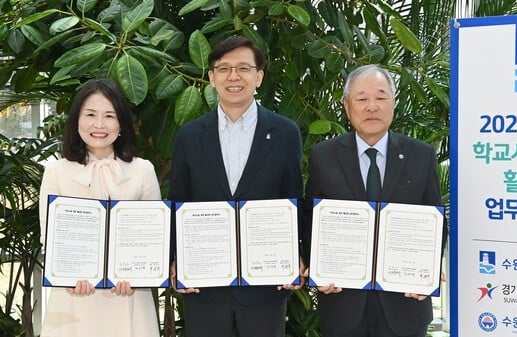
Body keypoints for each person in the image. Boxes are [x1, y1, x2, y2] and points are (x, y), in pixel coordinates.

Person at [168, 35, 304, 337]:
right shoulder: (190, 136)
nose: (234, 77)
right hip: (203, 281)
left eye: (243, 68)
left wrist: (297, 256)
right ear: (211, 77)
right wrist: (175, 261)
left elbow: (294, 199)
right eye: (224, 68)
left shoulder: (285, 133)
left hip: (266, 283)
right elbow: (178, 201)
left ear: (259, 77)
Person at [302, 64, 448, 337]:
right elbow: (311, 219)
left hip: (404, 302)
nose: (372, 106)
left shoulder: (420, 155)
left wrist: (427, 270)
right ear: (347, 107)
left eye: (381, 98)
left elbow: (435, 220)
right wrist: (318, 268)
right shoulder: (324, 155)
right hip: (342, 301)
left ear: (393, 104)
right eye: (361, 99)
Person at [38, 79, 161, 337]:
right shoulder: (56, 171)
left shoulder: (143, 170)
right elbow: (49, 238)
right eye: (90, 115)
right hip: (73, 301)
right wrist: (68, 276)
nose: (99, 125)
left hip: (128, 299)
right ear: (76, 120)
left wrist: (138, 278)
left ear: (121, 124)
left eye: (109, 116)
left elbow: (154, 240)